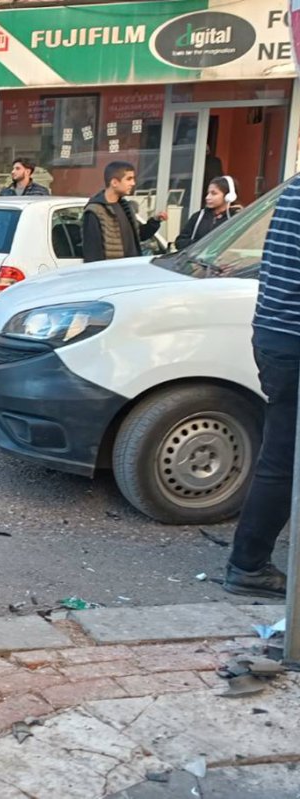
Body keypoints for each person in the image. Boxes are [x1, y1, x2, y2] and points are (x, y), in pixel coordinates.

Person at [223, 175, 300, 599]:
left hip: (275, 334)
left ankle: (249, 562)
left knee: (280, 456)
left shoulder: (293, 188)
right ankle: (248, 565)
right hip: (294, 337)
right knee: (283, 459)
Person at [81, 161, 167, 262]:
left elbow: (138, 236)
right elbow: (93, 253)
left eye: (133, 179)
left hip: (131, 270)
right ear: (114, 183)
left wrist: (155, 221)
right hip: (111, 273)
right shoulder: (95, 211)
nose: (133, 183)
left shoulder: (125, 206)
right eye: (129, 179)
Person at [175, 176, 238, 250]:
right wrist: (200, 245)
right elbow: (180, 242)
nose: (207, 197)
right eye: (208, 193)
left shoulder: (236, 218)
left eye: (213, 193)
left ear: (229, 196)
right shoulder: (198, 216)